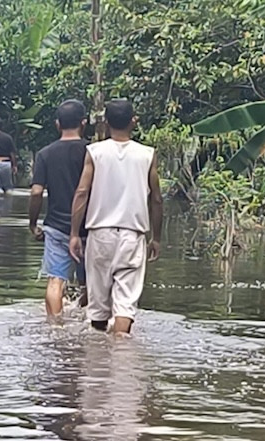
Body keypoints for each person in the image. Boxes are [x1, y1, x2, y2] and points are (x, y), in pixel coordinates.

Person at [69, 99, 163, 335]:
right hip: (133, 235)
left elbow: (82, 192)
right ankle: (121, 359)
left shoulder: (95, 152)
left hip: (100, 235)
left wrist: (73, 234)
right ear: (134, 121)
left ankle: (99, 359)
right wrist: (157, 238)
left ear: (106, 122)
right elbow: (157, 199)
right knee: (125, 307)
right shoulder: (147, 154)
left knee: (98, 308)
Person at [29, 100, 89, 317]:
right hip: (89, 227)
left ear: (57, 124)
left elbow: (36, 192)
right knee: (88, 283)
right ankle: (85, 323)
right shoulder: (93, 152)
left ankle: (55, 328)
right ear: (84, 123)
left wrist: (33, 223)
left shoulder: (45, 154)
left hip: (56, 227)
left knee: (56, 281)